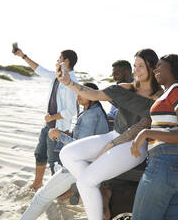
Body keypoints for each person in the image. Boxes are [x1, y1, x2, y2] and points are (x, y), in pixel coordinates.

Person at [56, 49, 163, 220]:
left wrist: (111, 145)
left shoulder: (159, 96)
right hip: (114, 134)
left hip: (135, 145)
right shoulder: (125, 88)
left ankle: (94, 194)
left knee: (85, 181)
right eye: (135, 65)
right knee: (67, 153)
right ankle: (98, 189)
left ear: (151, 67)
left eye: (141, 66)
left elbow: (142, 125)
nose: (136, 70)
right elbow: (94, 94)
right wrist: (69, 83)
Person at [20, 83, 110, 220]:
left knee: (41, 197)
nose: (78, 96)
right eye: (77, 93)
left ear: (93, 96)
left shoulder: (90, 115)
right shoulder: (93, 111)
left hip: (78, 166)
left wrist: (60, 135)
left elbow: (81, 147)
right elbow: (85, 139)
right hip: (88, 167)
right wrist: (64, 133)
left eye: (82, 93)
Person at [130, 54, 178, 220]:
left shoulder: (177, 90)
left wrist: (146, 133)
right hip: (173, 166)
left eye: (160, 66)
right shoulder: (169, 92)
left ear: (172, 69)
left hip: (163, 163)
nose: (155, 69)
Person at [13, 48, 78, 191]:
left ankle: (62, 191)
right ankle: (37, 183)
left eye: (59, 57)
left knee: (54, 161)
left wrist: (52, 117)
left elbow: (71, 111)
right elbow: (39, 69)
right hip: (48, 125)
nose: (57, 60)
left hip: (58, 129)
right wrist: (23, 56)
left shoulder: (71, 81)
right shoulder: (57, 76)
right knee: (40, 153)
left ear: (66, 61)